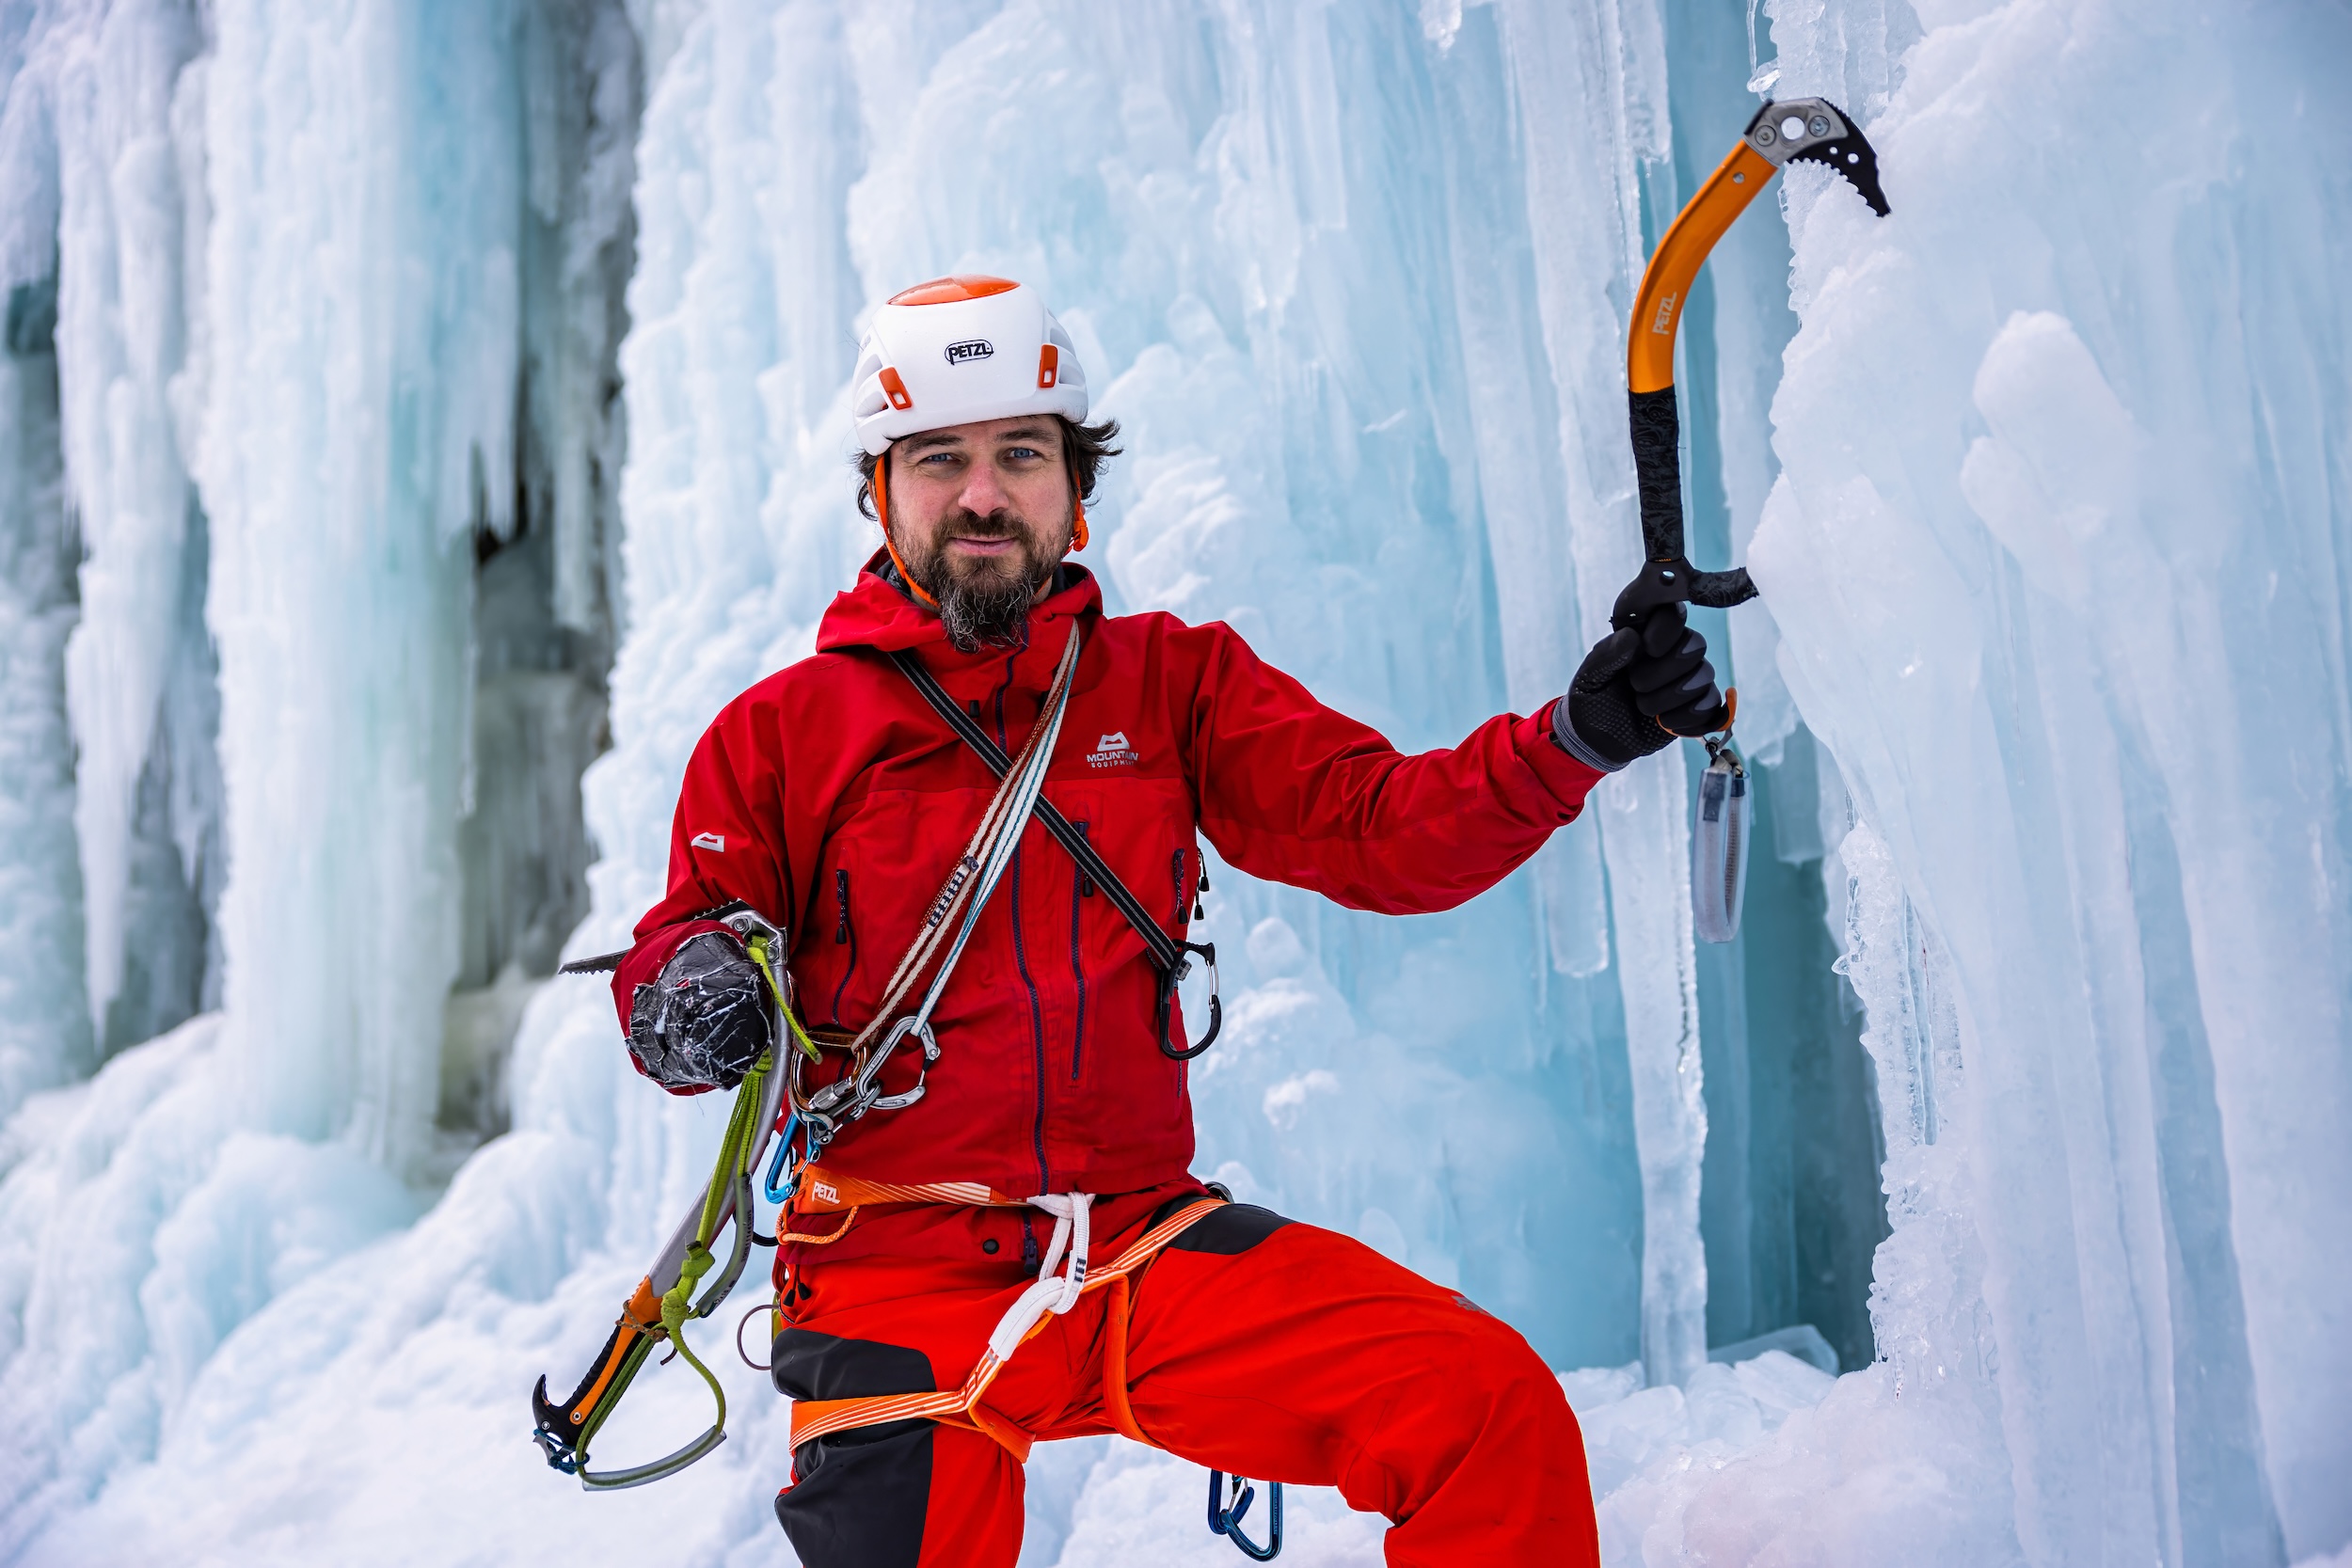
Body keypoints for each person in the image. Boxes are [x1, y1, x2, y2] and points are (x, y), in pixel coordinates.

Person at [611, 276, 1728, 1568]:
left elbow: (1380, 829)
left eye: (1022, 454)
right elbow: (677, 953)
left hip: (1137, 1246)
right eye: (941, 459)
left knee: (1479, 1404)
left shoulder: (1171, 685)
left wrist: (1577, 739)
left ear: (1076, 487)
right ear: (882, 489)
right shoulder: (782, 735)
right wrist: (688, 996)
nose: (984, 495)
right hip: (891, 1269)